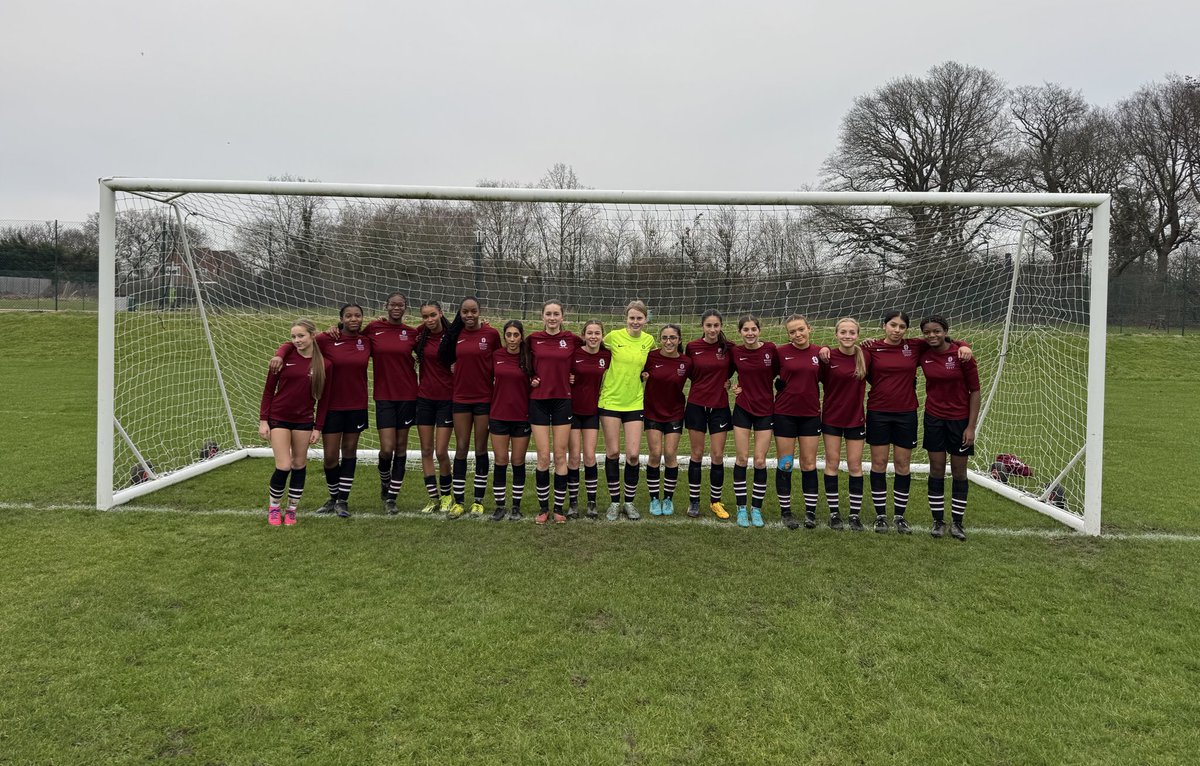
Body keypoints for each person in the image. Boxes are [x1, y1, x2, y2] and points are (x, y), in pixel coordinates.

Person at [862, 310, 971, 534]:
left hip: (906, 413)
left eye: (902, 327)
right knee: (879, 464)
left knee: (903, 465)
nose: (897, 330)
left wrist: (963, 344)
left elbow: (941, 339)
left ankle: (900, 517)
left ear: (907, 330)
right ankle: (881, 516)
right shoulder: (870, 347)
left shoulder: (914, 346)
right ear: (884, 326)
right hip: (878, 412)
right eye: (893, 325)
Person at [272, 302, 371, 518]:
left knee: (350, 452)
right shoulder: (327, 339)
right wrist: (280, 354)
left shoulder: (366, 341)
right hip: (332, 406)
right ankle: (333, 496)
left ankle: (342, 500)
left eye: (357, 316)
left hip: (357, 405)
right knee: (330, 457)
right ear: (341, 319)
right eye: (348, 316)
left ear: (363, 318)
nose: (353, 319)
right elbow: (295, 343)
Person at [258, 319, 331, 525]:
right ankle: (274, 508)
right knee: (284, 465)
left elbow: (324, 400)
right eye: (293, 336)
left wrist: (318, 427)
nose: (297, 340)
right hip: (279, 418)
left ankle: (291, 510)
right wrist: (264, 421)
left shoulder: (325, 364)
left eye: (301, 336)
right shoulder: (283, 358)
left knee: (299, 465)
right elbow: (268, 391)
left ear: (312, 336)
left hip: (304, 421)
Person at [918, 315, 980, 541]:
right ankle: (937, 521)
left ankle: (957, 522)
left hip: (960, 421)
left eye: (936, 331)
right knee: (936, 469)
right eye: (927, 332)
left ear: (945, 331)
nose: (932, 335)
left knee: (959, 471)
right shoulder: (922, 353)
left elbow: (975, 391)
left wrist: (971, 427)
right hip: (934, 418)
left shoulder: (962, 355)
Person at [440, 296, 500, 517]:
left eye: (473, 311)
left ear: (479, 311)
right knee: (462, 447)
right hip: (461, 399)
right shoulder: (455, 334)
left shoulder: (492, 335)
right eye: (465, 311)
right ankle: (459, 501)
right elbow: (442, 356)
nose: (469, 315)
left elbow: (500, 362)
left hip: (484, 398)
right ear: (460, 313)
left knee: (481, 447)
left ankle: (478, 500)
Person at [598, 300, 657, 521]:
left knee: (632, 455)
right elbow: (591, 344)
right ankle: (614, 502)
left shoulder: (649, 341)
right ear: (626, 319)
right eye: (631, 318)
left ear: (645, 320)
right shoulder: (613, 337)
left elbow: (654, 363)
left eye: (639, 318)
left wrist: (647, 375)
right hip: (611, 401)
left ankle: (629, 502)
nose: (635, 321)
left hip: (635, 402)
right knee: (613, 453)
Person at [529, 300, 581, 520]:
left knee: (560, 455)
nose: (552, 318)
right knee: (543, 457)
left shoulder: (572, 339)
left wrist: (576, 375)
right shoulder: (531, 340)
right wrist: (531, 377)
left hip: (562, 400)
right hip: (538, 401)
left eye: (556, 314)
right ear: (543, 316)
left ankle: (558, 509)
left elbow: (591, 353)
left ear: (562, 316)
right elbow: (519, 361)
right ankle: (543, 509)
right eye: (548, 314)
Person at [366, 292, 418, 514]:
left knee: (400, 447)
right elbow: (347, 335)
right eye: (393, 304)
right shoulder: (373, 329)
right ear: (386, 306)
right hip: (384, 395)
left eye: (401, 305)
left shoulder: (413, 333)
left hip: (408, 396)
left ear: (405, 307)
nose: (397, 307)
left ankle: (392, 498)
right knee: (386, 449)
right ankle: (385, 481)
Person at [773, 314, 824, 530]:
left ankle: (810, 512)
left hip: (810, 414)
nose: (797, 334)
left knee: (808, 463)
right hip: (784, 413)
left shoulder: (820, 353)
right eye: (792, 331)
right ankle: (786, 511)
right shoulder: (780, 352)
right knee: (785, 463)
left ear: (809, 329)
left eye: (801, 329)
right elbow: (761, 374)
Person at [819, 318, 870, 531]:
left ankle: (854, 515)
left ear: (857, 335)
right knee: (832, 463)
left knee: (855, 465)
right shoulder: (827, 356)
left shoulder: (865, 355)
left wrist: (963, 345)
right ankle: (834, 513)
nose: (847, 336)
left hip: (855, 418)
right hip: (831, 418)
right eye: (843, 332)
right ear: (836, 334)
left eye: (851, 332)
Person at [684, 310, 735, 519]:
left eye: (716, 325)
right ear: (702, 327)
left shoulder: (729, 348)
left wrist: (727, 381)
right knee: (696, 454)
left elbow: (732, 370)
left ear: (721, 326)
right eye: (708, 325)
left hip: (720, 406)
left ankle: (715, 502)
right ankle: (694, 501)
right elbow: (685, 370)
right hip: (696, 404)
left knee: (717, 455)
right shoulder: (692, 347)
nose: (712, 329)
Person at [729, 314, 778, 528]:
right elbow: (724, 373)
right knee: (741, 458)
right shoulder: (735, 352)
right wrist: (731, 385)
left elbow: (782, 372)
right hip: (743, 409)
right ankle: (741, 508)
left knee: (759, 460)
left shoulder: (770, 350)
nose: (750, 333)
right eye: (745, 330)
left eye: (753, 329)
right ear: (740, 332)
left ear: (760, 330)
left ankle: (756, 509)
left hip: (766, 409)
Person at [641, 324, 691, 516]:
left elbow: (703, 378)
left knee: (670, 453)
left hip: (675, 412)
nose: (668, 342)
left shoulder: (686, 362)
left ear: (679, 340)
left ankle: (668, 498)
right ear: (660, 339)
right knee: (655, 453)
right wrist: (641, 376)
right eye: (664, 338)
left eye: (672, 338)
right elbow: (636, 373)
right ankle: (654, 498)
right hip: (652, 411)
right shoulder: (651, 356)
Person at [489, 320, 534, 522]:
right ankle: (500, 506)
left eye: (516, 335)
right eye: (509, 335)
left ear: (522, 336)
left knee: (517, 462)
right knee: (500, 461)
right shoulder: (496, 356)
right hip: (498, 415)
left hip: (522, 416)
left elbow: (541, 377)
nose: (513, 339)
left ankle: (515, 506)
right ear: (504, 336)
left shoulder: (529, 358)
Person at [568, 320, 611, 518]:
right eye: (590, 333)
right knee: (575, 457)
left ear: (602, 335)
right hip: (573, 410)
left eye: (597, 333)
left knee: (590, 456)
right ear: (583, 335)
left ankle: (592, 502)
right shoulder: (574, 354)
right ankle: (573, 502)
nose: (593, 336)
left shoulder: (607, 356)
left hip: (593, 411)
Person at [414, 300, 454, 513]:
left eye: (432, 315)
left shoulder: (453, 335)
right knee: (426, 450)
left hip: (447, 400)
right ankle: (433, 497)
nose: (429, 319)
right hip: (425, 400)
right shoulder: (420, 336)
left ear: (440, 313)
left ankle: (447, 495)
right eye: (425, 316)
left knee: (441, 451)